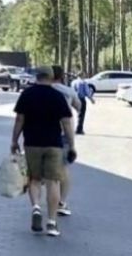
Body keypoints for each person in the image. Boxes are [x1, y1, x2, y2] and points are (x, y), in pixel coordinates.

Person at [12, 69, 76, 238]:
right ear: (52, 78)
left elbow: (19, 119)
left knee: (34, 179)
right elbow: (66, 123)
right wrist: (72, 145)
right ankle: (52, 223)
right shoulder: (57, 96)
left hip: (32, 143)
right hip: (53, 144)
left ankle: (36, 207)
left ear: (37, 77)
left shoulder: (27, 94)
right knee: (53, 182)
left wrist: (14, 141)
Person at [51, 66, 80, 217]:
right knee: (63, 169)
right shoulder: (68, 91)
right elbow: (79, 106)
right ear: (62, 76)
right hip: (63, 134)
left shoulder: (42, 90)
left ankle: (37, 202)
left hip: (42, 134)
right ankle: (61, 202)